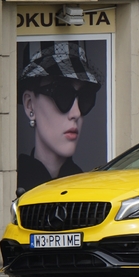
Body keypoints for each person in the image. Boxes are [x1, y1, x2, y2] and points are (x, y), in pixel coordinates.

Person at [17, 41, 102, 191]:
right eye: (63, 95)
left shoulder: (88, 190)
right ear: (30, 104)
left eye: (85, 97)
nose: (76, 113)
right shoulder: (8, 186)